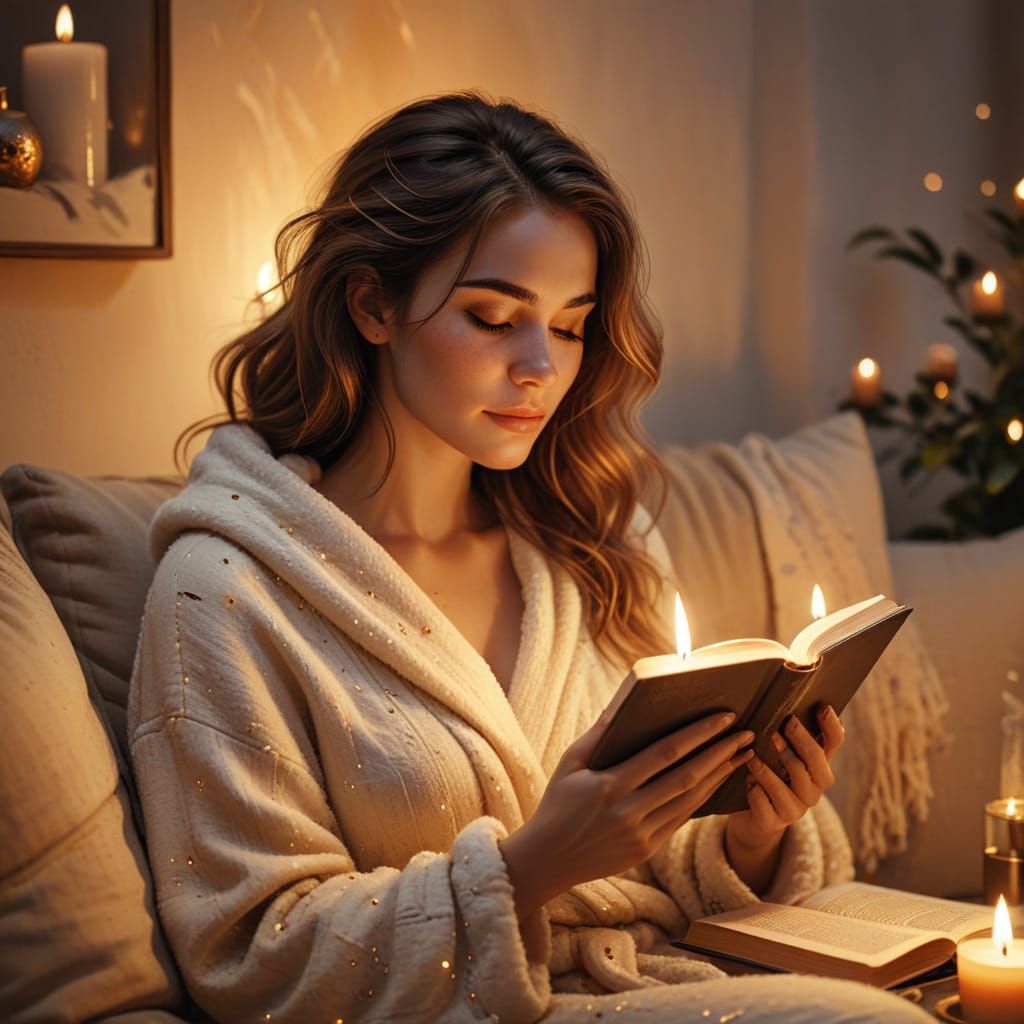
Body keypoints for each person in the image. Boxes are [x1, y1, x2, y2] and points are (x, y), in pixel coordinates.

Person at [127, 90, 931, 1023]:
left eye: (569, 324)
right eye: (493, 314)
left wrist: (749, 834)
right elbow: (250, 951)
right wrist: (532, 866)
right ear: (373, 303)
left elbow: (665, 866)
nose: (542, 367)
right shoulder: (223, 595)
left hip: (666, 982)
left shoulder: (589, 545)